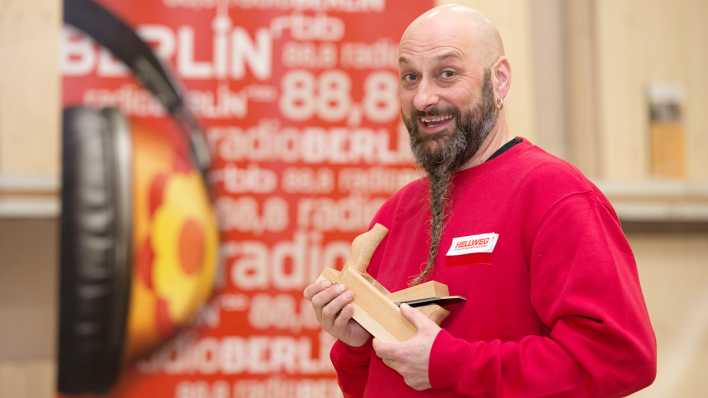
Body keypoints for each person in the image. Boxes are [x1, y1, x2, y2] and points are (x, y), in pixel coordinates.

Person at [303, 4, 656, 397]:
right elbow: (373, 386)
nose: (423, 97)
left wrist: (448, 364)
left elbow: (619, 358)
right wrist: (356, 345)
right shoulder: (395, 214)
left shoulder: (555, 195)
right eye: (410, 76)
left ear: (499, 80)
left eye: (447, 74)